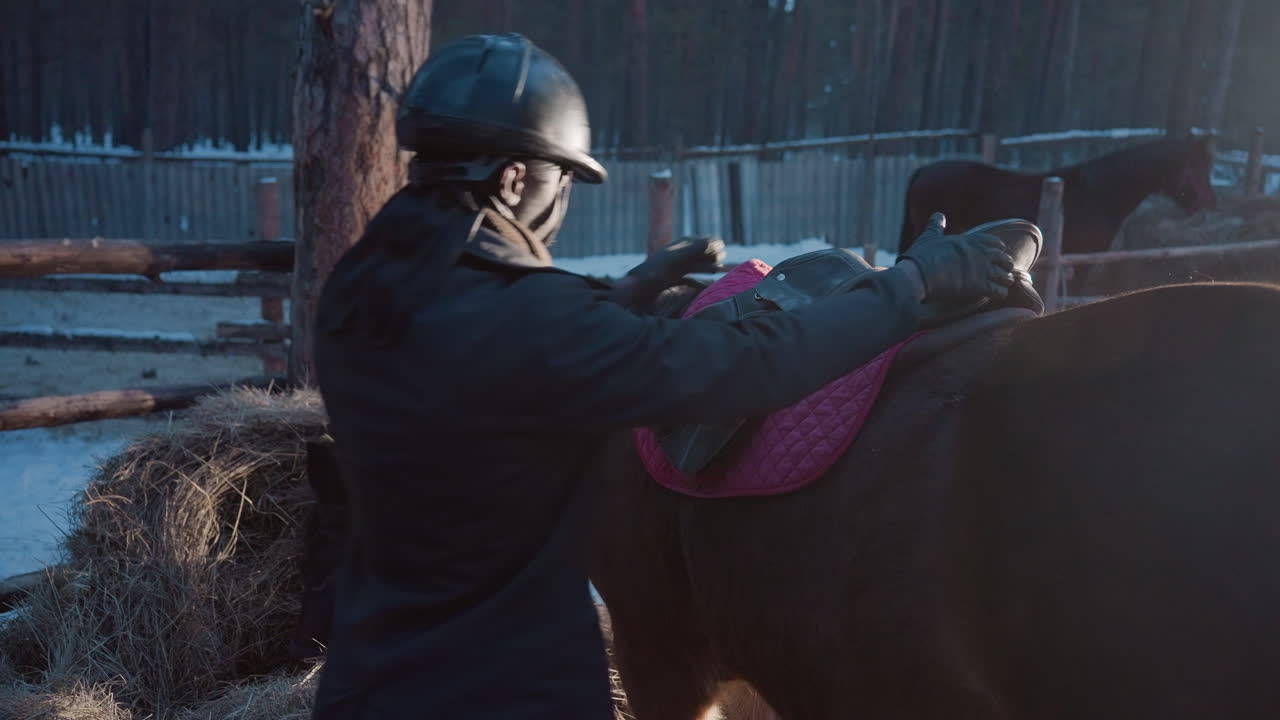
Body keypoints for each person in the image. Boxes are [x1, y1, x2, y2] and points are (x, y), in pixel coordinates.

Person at [308, 32, 1015, 719]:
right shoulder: (535, 326)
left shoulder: (359, 290)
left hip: (370, 677)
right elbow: (747, 367)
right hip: (503, 689)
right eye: (562, 181)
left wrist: (623, 296)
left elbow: (481, 349)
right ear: (514, 177)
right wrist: (912, 284)